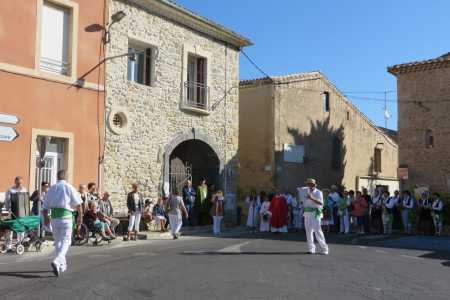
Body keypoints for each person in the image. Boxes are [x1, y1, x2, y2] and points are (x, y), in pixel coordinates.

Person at [42, 170, 82, 276]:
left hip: (54, 218)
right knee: (67, 241)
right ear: (66, 177)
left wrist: (46, 218)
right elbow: (78, 204)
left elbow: (45, 207)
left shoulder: (52, 188)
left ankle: (62, 265)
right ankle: (58, 260)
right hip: (66, 217)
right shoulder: (69, 187)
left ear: (57, 177)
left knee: (58, 241)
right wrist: (80, 217)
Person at [302, 178, 329, 255]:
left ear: (314, 185)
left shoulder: (318, 192)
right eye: (308, 184)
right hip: (307, 213)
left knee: (318, 231)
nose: (309, 186)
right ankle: (311, 249)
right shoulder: (305, 192)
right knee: (308, 231)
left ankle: (324, 249)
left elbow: (321, 203)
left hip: (315, 213)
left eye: (310, 184)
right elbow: (302, 201)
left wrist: (311, 198)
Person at [4, 176, 28, 251]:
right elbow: (7, 201)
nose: (19, 184)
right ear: (15, 182)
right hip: (12, 212)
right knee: (10, 228)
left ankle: (19, 243)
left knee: (21, 228)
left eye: (20, 183)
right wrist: (8, 209)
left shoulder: (24, 190)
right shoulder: (10, 190)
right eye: (18, 183)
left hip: (22, 213)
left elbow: (26, 201)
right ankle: (8, 246)